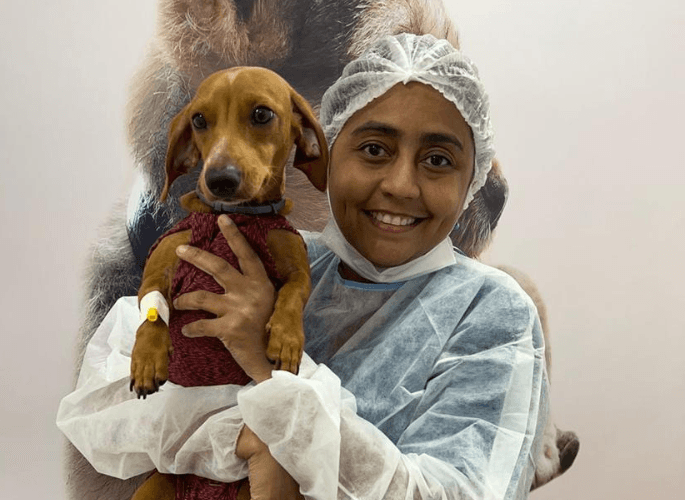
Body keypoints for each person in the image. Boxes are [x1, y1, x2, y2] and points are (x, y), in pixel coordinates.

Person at [57, 33, 548, 500]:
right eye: (374, 149)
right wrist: (242, 435)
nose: (401, 185)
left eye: (438, 159)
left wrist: (266, 368)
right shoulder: (260, 256)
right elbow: (107, 408)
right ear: (323, 152)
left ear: (472, 179)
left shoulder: (494, 314)